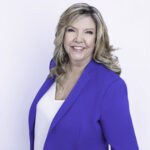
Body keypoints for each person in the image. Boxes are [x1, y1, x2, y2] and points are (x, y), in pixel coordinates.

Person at [28, 3, 139, 150]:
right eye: (72, 30)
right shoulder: (56, 68)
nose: (78, 39)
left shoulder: (110, 86)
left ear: (97, 39)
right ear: (63, 34)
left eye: (88, 32)